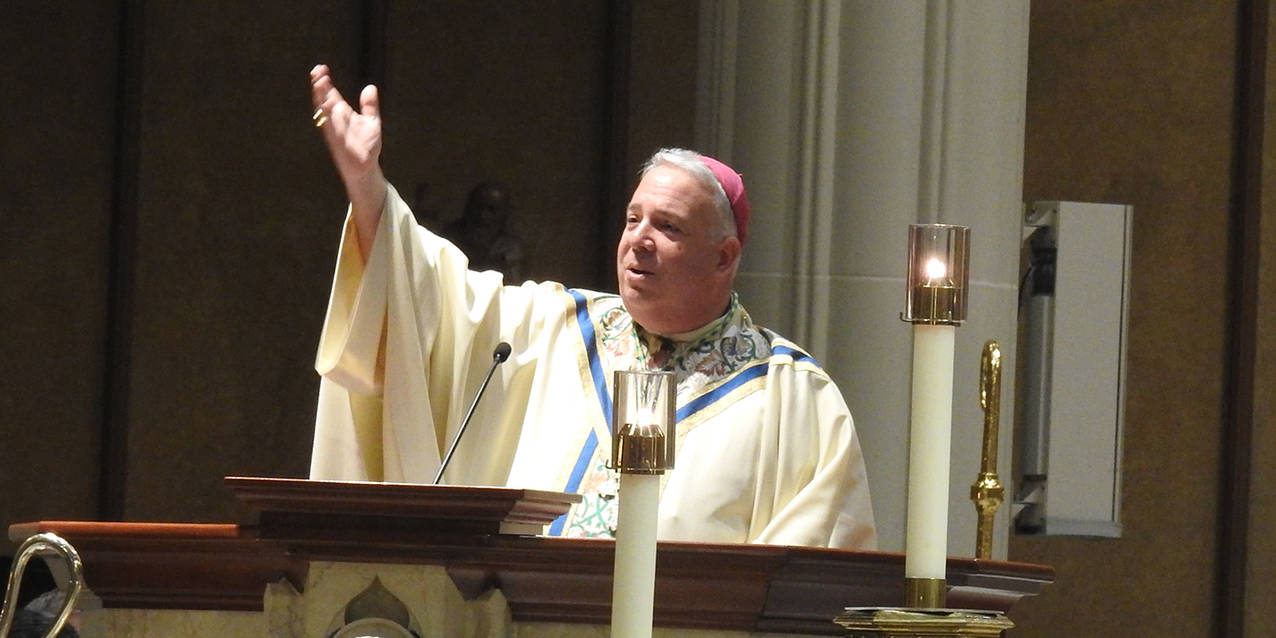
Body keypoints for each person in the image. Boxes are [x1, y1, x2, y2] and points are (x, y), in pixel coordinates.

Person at [306, 65, 876, 548]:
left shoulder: (793, 398)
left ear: (724, 258)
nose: (639, 239)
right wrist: (368, 186)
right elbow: (424, 298)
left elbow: (808, 575)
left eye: (668, 226)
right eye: (633, 219)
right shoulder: (552, 328)